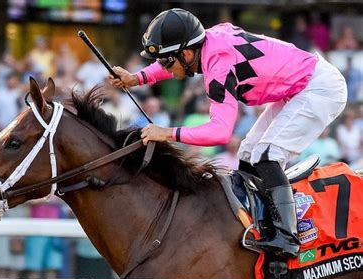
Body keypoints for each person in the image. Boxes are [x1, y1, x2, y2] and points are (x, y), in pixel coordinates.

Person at [108, 8, 347, 258]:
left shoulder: (219, 68)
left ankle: (287, 238)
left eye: (167, 62)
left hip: (319, 88)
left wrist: (166, 133)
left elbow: (220, 133)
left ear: (187, 53)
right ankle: (257, 224)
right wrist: (137, 78)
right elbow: (171, 61)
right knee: (247, 154)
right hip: (300, 86)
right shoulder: (204, 42)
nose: (165, 68)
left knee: (267, 154)